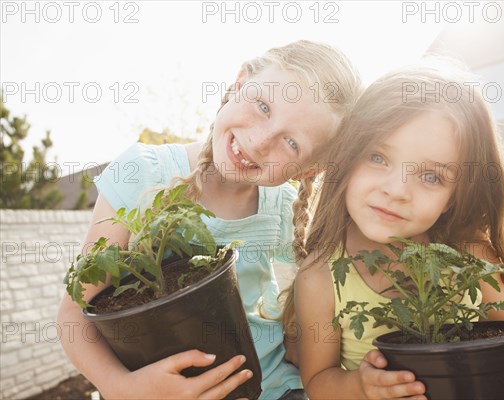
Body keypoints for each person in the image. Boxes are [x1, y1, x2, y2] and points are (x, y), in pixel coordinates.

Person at [57, 40, 362, 400]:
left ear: (309, 169)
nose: (260, 141)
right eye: (263, 106)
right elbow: (74, 315)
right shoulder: (142, 174)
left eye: (291, 143)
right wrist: (122, 387)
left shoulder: (280, 206)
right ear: (239, 82)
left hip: (274, 389)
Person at [284, 63, 504, 399]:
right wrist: (361, 385)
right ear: (347, 156)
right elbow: (319, 382)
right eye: (378, 157)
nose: (397, 190)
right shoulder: (320, 277)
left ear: (453, 197)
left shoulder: (473, 257)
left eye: (431, 177)